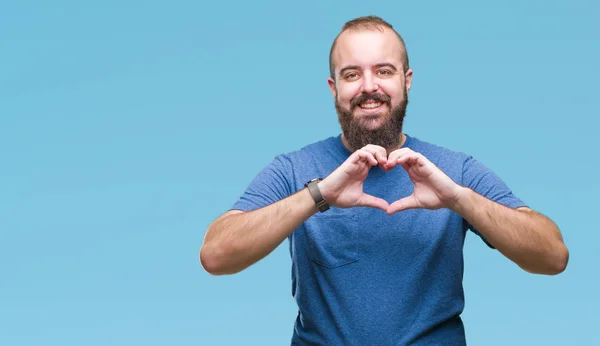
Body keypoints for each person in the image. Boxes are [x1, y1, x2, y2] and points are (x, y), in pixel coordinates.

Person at [200, 15, 569, 346]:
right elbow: (216, 255)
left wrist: (458, 199)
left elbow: (552, 256)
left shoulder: (453, 170)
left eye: (384, 71)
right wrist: (319, 194)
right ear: (334, 88)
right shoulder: (295, 169)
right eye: (351, 74)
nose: (368, 86)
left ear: (406, 81)